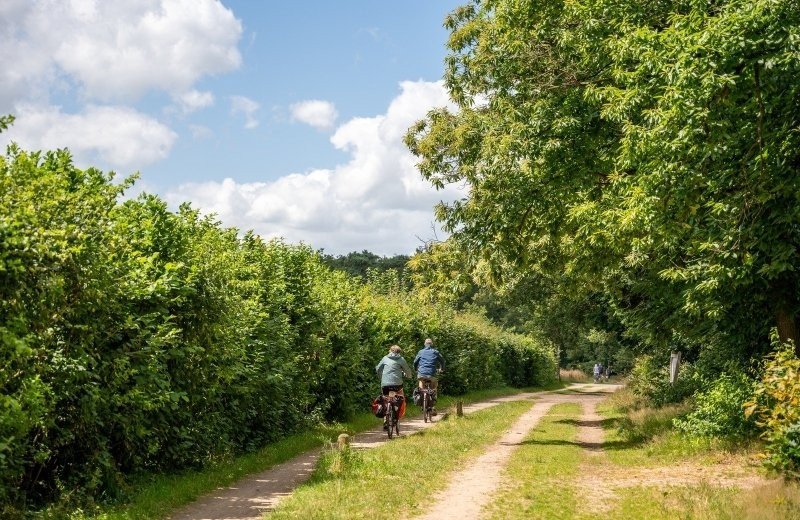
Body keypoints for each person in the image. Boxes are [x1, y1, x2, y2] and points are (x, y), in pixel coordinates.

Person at [375, 345, 412, 429]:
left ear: (390, 351)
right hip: (397, 385)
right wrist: (408, 376)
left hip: (385, 384)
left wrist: (381, 377)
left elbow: (378, 369)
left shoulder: (385, 358)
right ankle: (396, 415)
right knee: (401, 397)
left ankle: (385, 420)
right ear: (399, 352)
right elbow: (407, 370)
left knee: (385, 399)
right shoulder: (401, 359)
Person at [413, 338, 445, 414]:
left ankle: (421, 402)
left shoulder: (421, 352)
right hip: (432, 373)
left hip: (422, 373)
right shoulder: (435, 352)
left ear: (425, 344)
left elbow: (415, 362)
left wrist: (415, 369)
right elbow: (442, 361)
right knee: (434, 387)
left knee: (421, 383)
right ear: (432, 344)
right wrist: (442, 369)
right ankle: (433, 406)